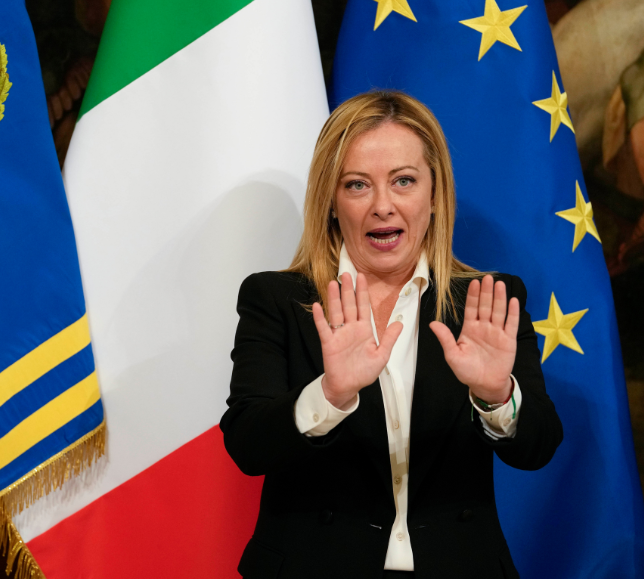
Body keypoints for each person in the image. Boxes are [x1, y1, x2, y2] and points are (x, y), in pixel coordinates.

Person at [221, 91, 563, 579]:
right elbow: (247, 445)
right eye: (358, 185)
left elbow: (539, 446)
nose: (383, 206)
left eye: (403, 181)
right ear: (331, 203)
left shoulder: (487, 300)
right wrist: (331, 393)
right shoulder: (276, 299)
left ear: (434, 195)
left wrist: (495, 396)